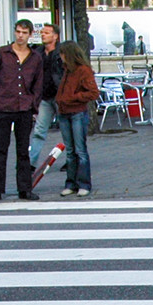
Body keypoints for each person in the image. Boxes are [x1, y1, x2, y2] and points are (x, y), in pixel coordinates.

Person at [0, 19, 43, 204]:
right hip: (4, 106)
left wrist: (33, 105)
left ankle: (25, 188)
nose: (20, 36)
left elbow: (38, 84)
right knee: (0, 150)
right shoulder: (2, 53)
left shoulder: (35, 57)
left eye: (24, 32)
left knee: (23, 151)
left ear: (30, 35)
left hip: (24, 108)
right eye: (18, 32)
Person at [54, 40, 98, 197]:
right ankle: (71, 183)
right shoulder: (67, 70)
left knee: (79, 150)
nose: (61, 57)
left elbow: (93, 92)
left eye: (63, 54)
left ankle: (83, 183)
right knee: (71, 151)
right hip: (65, 112)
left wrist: (73, 97)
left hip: (77, 111)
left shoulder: (82, 71)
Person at [29, 23, 64, 169]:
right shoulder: (38, 53)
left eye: (47, 33)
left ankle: (71, 160)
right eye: (42, 32)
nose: (43, 35)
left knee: (66, 130)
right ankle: (31, 163)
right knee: (39, 130)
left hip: (60, 96)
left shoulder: (62, 52)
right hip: (44, 96)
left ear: (55, 36)